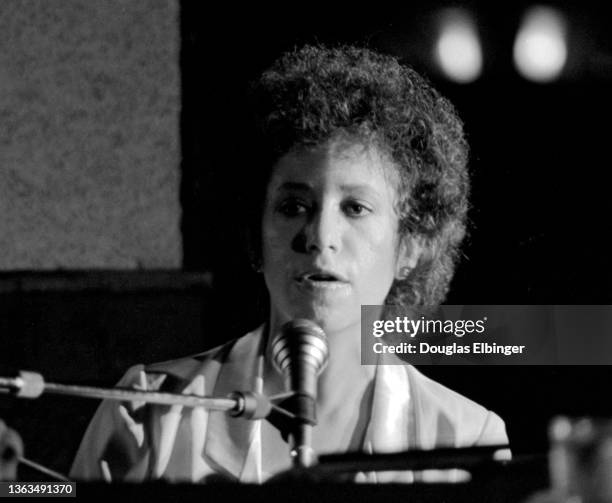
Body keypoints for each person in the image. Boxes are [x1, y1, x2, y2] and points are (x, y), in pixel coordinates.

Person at [70, 45, 509, 483]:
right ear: (255, 234)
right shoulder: (149, 407)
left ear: (410, 246)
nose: (319, 237)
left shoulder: (468, 440)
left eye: (355, 208)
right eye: (294, 205)